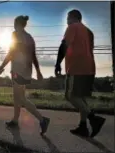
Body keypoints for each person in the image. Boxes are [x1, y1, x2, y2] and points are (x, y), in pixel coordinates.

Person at [55, 9, 106, 137]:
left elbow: (64, 45)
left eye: (68, 18)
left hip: (76, 67)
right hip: (90, 68)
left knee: (70, 96)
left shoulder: (73, 27)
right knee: (81, 98)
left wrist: (57, 63)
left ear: (74, 18)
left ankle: (94, 119)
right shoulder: (89, 32)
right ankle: (83, 127)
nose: (67, 21)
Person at [0, 15, 50, 135]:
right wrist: (38, 71)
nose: (14, 26)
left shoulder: (15, 34)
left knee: (20, 98)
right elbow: (33, 56)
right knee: (18, 97)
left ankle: (42, 119)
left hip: (17, 70)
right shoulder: (30, 37)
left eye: (14, 24)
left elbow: (11, 52)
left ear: (17, 24)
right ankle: (15, 121)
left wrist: (1, 67)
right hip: (27, 71)